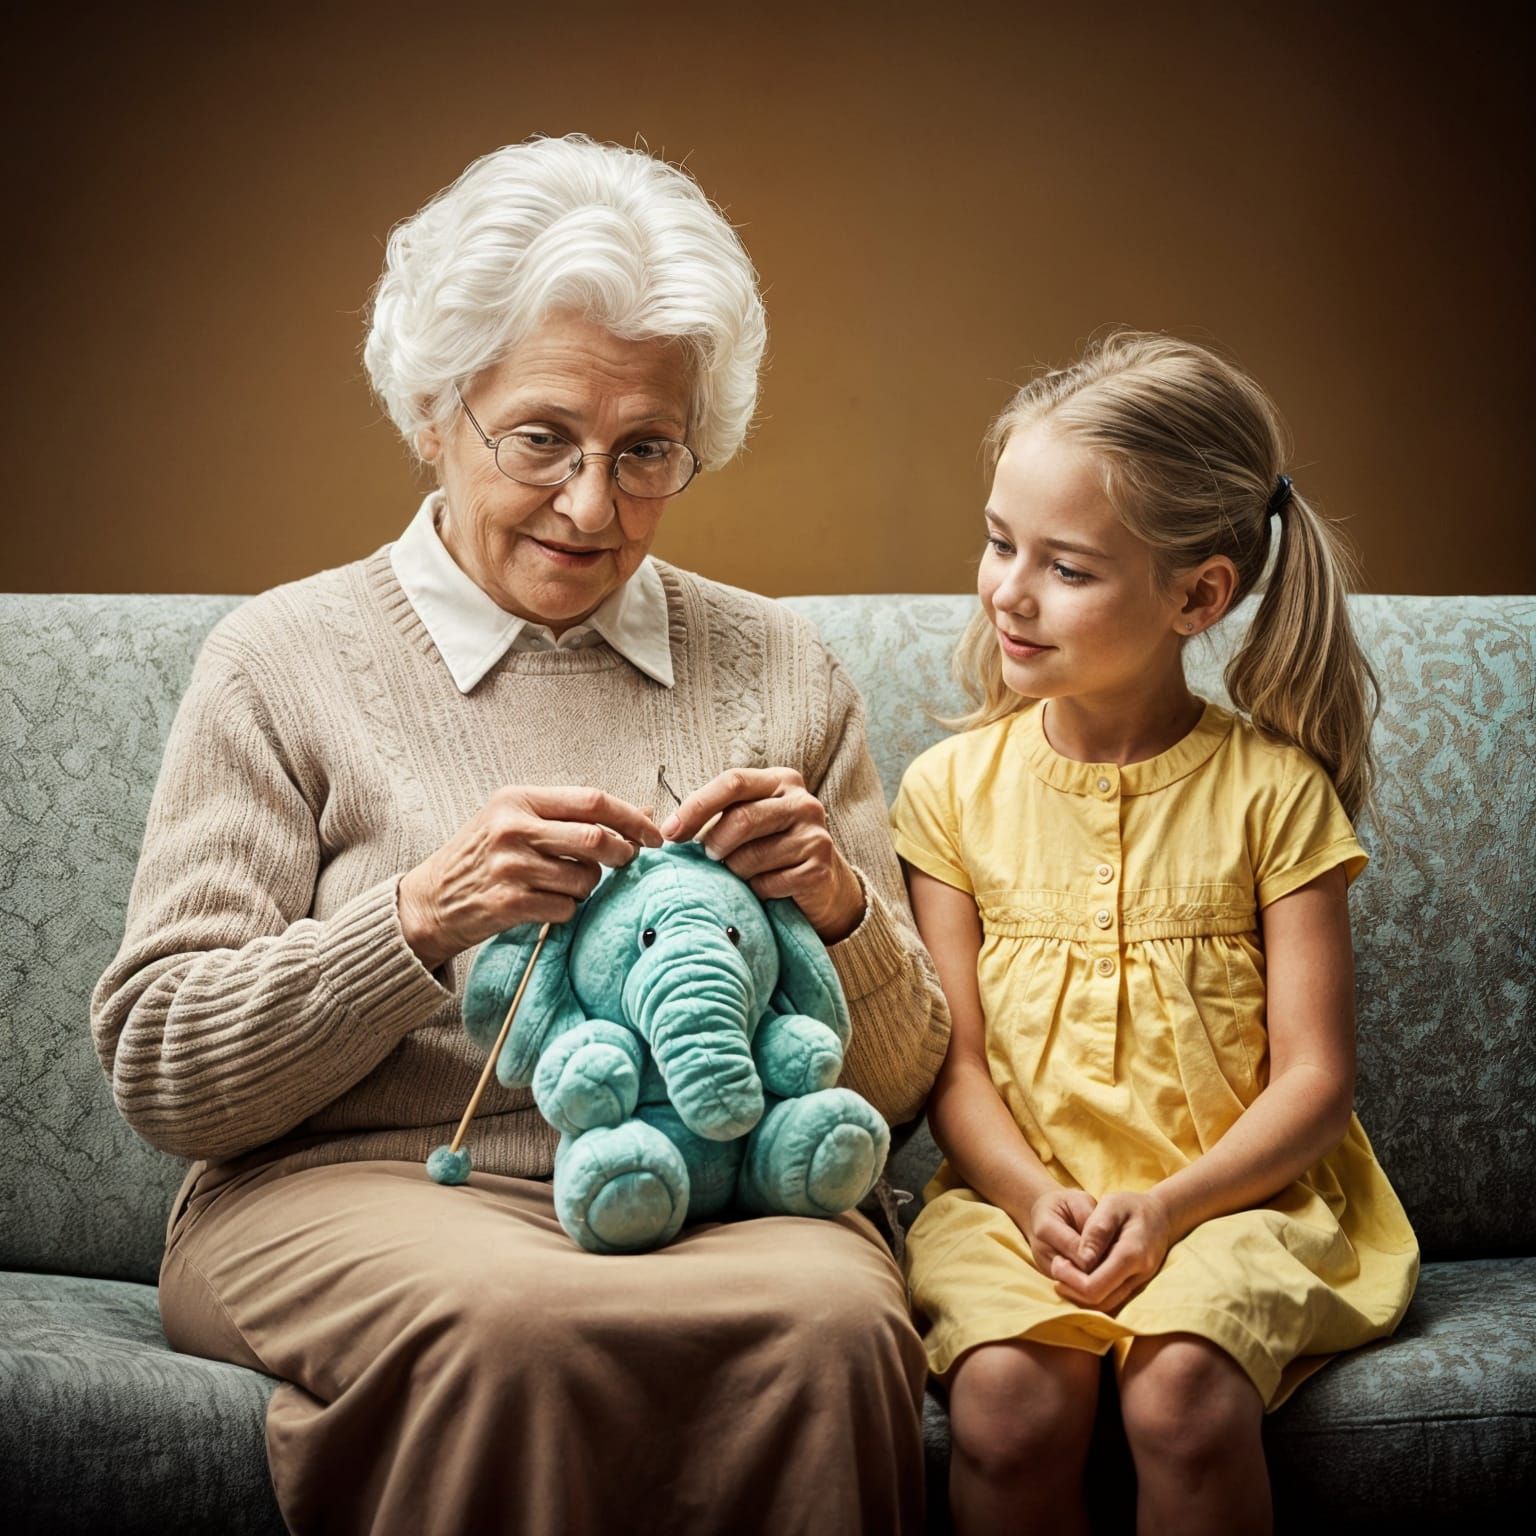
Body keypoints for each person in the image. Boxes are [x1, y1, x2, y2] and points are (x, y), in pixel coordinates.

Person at [92, 134, 949, 1536]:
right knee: (519, 1325)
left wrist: (838, 911)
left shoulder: (781, 667)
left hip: (723, 1198)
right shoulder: (279, 660)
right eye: (542, 437)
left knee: (836, 1325)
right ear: (436, 411)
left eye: (647, 449)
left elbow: (899, 1090)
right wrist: (419, 921)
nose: (594, 506)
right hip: (362, 1192)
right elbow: (164, 1069)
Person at [890, 332, 1419, 1535]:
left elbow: (1317, 1082)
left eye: (1067, 567)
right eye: (1000, 542)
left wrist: (1170, 1210)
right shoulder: (947, 793)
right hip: (1015, 1201)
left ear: (1199, 596)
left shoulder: (1276, 794)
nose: (1009, 590)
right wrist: (1033, 1200)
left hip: (1240, 1204)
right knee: (1010, 1408)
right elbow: (955, 1069)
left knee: (1182, 1393)